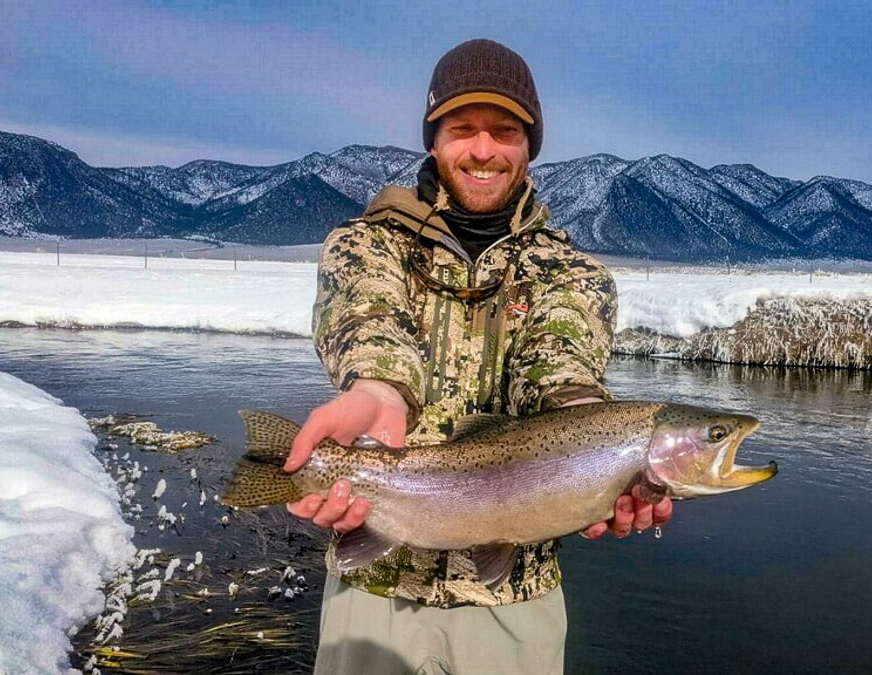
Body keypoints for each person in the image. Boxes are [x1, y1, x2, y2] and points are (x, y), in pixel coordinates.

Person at [284, 38, 672, 675]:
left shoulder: (574, 272)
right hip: (375, 588)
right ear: (434, 140)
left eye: (506, 131)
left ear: (529, 145)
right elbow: (370, 322)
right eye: (463, 129)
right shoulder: (366, 245)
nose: (484, 149)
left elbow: (561, 366)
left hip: (514, 600)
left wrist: (605, 453)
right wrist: (378, 393)